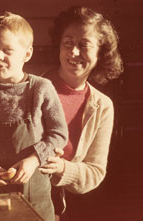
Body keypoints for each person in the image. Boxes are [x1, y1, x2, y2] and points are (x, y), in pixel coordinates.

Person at [0, 11, 68, 221]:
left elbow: (59, 134)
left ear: (27, 54)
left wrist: (34, 159)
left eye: (7, 50)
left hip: (37, 200)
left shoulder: (41, 88)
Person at [39, 6, 124, 220]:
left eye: (84, 45)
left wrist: (62, 168)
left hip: (66, 210)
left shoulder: (103, 106)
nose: (74, 52)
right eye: (68, 43)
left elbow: (95, 171)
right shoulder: (32, 88)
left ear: (100, 54)